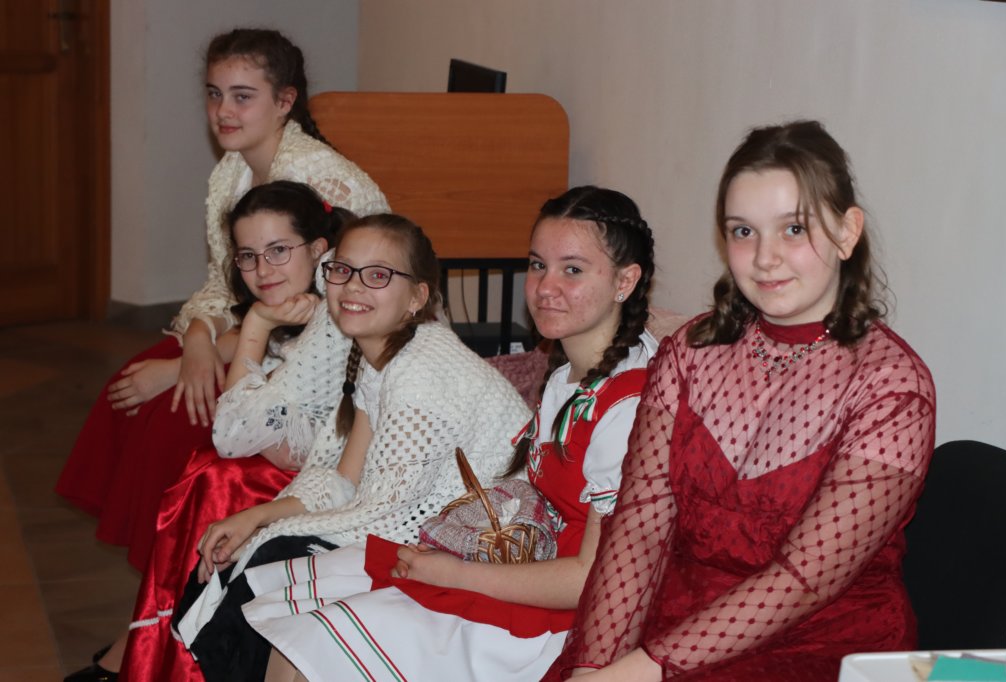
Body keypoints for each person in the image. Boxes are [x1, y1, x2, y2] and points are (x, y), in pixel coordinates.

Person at [544, 121, 936, 681]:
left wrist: (639, 671)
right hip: (673, 622)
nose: (765, 257)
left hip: (816, 646)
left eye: (794, 229)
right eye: (743, 231)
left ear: (847, 232)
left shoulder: (892, 389)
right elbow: (638, 528)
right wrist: (594, 664)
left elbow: (803, 579)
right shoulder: (690, 352)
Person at [233, 185, 658, 682]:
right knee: (292, 633)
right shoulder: (568, 375)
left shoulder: (629, 407)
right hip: (522, 562)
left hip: (560, 621)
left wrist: (457, 573)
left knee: (313, 645)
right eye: (538, 264)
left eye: (573, 270)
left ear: (625, 281)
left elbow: (593, 579)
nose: (545, 287)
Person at [55, 27, 388, 572]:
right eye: (214, 94)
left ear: (285, 101)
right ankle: (156, 572)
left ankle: (168, 576)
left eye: (242, 96)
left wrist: (192, 364)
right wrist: (197, 338)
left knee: (170, 412)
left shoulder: (324, 180)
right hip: (267, 332)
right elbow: (223, 281)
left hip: (328, 361)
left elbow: (330, 311)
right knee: (133, 385)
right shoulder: (231, 172)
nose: (223, 111)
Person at [169, 213, 531, 681]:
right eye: (342, 270)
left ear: (417, 297)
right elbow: (346, 479)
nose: (353, 286)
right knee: (255, 559)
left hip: (487, 548)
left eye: (377, 275)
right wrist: (257, 517)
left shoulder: (421, 373)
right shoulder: (380, 357)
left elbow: (390, 518)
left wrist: (271, 535)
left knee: (268, 568)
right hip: (427, 532)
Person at [62, 181, 356, 682]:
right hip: (303, 467)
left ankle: (175, 656)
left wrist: (257, 324)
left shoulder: (332, 318)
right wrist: (223, 333)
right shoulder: (294, 306)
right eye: (248, 257)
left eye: (279, 251)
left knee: (216, 477)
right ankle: (154, 646)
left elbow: (255, 439)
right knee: (198, 461)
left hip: (341, 485)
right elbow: (250, 420)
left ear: (318, 250)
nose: (263, 270)